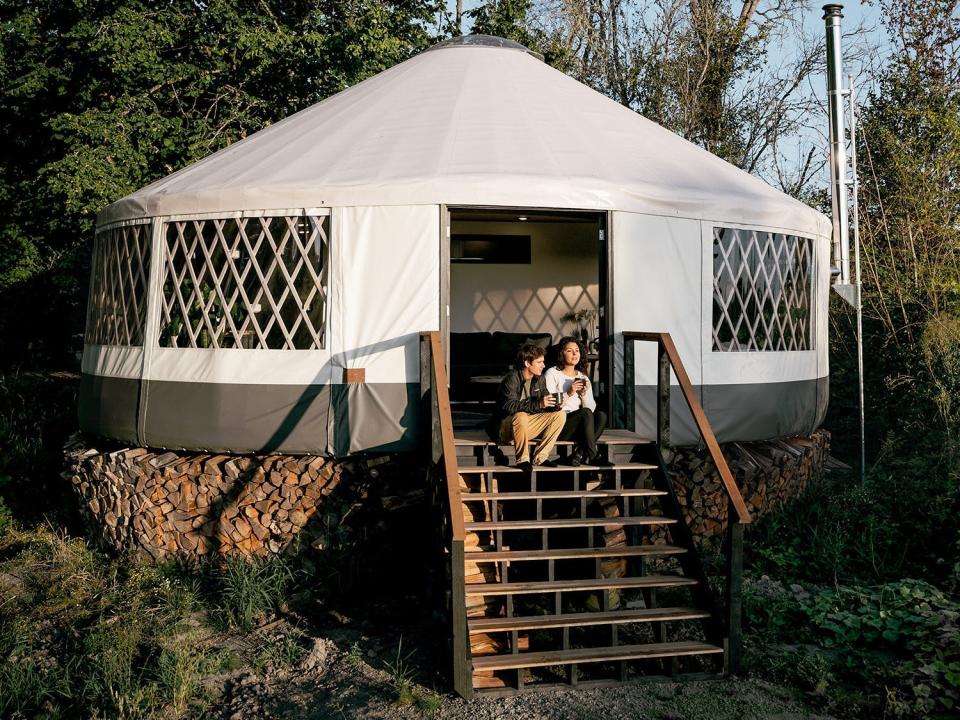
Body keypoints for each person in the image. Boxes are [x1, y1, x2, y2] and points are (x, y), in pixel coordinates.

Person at [487, 342, 567, 471]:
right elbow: (509, 405)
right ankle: (522, 459)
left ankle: (540, 457)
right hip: (505, 428)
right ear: (527, 363)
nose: (544, 365)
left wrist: (555, 405)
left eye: (543, 362)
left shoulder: (539, 379)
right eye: (539, 362)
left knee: (560, 415)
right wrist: (539, 404)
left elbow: (544, 402)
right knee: (521, 415)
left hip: (526, 426)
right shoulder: (512, 379)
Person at [544, 337, 609, 466]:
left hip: (579, 426)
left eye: (577, 350)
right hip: (558, 424)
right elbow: (550, 405)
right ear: (561, 353)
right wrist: (569, 393)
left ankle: (578, 453)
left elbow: (591, 409)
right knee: (584, 413)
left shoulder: (583, 377)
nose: (574, 354)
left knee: (601, 416)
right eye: (569, 350)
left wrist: (584, 395)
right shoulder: (552, 373)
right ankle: (593, 455)